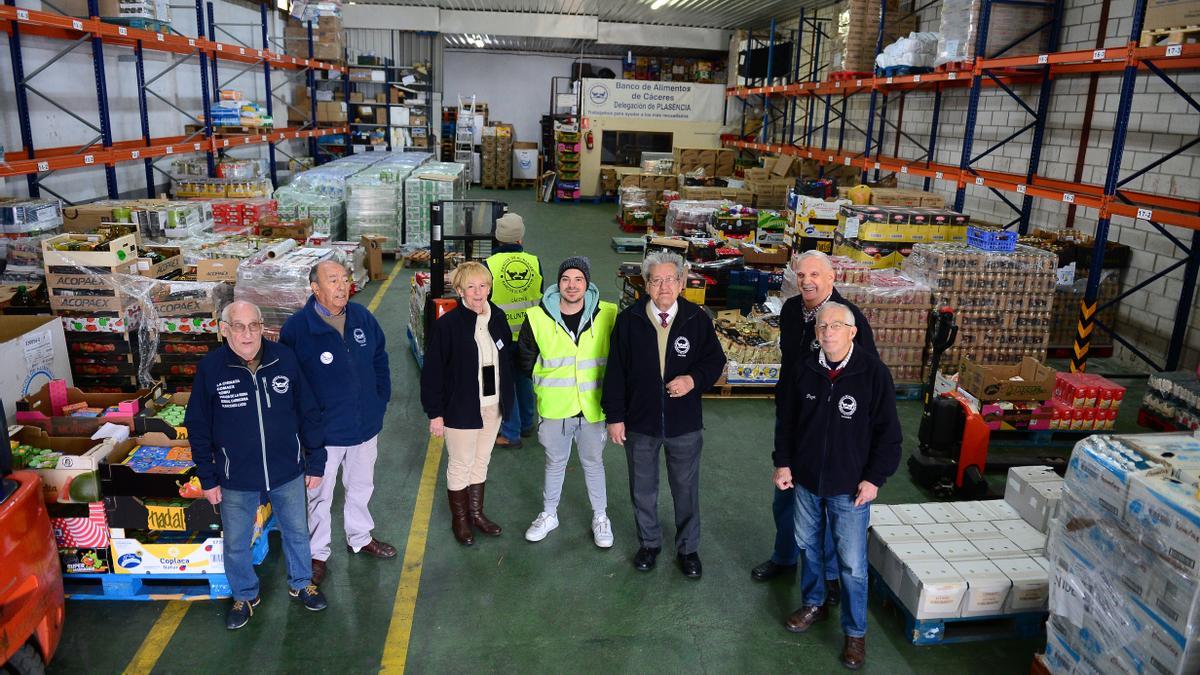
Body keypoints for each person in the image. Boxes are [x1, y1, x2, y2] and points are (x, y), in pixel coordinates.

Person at [773, 302, 901, 670]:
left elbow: (889, 437)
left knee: (852, 565)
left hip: (851, 488)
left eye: (836, 326)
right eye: (822, 326)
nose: (827, 332)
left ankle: (855, 632)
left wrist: (874, 479)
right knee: (808, 548)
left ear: (853, 331)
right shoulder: (805, 370)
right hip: (807, 482)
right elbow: (788, 423)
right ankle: (814, 603)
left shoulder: (873, 374)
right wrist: (783, 462)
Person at [185, 301, 328, 629]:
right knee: (236, 541)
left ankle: (302, 582)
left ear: (262, 326)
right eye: (238, 326)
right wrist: (207, 478)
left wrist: (315, 462)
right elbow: (198, 425)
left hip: (287, 469)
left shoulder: (285, 359)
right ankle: (244, 595)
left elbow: (308, 411)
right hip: (235, 476)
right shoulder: (211, 368)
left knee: (296, 531)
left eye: (253, 325)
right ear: (224, 330)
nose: (247, 333)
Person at [752, 250, 878, 602]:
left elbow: (867, 375)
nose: (807, 281)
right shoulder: (792, 310)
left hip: (834, 422)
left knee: (825, 500)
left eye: (815, 275)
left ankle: (829, 574)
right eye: (802, 274)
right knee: (787, 495)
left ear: (831, 278)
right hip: (795, 414)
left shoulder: (846, 318)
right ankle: (784, 557)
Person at [601, 251, 726, 578]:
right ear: (646, 284)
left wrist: (693, 380)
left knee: (685, 489)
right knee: (643, 488)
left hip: (684, 424)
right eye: (656, 280)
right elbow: (615, 371)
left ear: (682, 283)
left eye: (670, 279)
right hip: (640, 422)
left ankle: (688, 549)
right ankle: (649, 543)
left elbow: (715, 361)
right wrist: (615, 417)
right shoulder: (629, 320)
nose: (664, 286)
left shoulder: (696, 319)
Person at [279, 260, 395, 587]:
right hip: (324, 435)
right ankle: (317, 553)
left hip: (364, 426)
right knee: (320, 496)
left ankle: (359, 536)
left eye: (344, 279)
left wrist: (380, 397)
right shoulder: (298, 329)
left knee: (361, 487)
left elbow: (380, 357)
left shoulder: (361, 318)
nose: (342, 286)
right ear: (315, 288)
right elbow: (289, 383)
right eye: (333, 280)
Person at [516, 256, 617, 547]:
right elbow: (524, 357)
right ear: (557, 283)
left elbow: (620, 356)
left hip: (592, 406)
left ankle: (601, 517)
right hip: (555, 406)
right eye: (565, 279)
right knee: (554, 462)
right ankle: (549, 514)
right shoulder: (537, 317)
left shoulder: (607, 314)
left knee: (593, 462)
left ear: (587, 283)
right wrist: (541, 382)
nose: (571, 286)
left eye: (578, 279)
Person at [421, 261, 515, 546]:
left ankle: (476, 514)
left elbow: (505, 359)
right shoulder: (447, 326)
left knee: (481, 461)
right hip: (461, 408)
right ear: (460, 290)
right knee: (461, 464)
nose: (478, 292)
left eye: (483, 286)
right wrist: (435, 414)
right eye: (471, 287)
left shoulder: (497, 317)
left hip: (492, 405)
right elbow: (433, 373)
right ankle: (460, 520)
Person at [486, 212, 542, 449]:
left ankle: (510, 432)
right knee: (524, 379)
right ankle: (528, 423)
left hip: (502, 334)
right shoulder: (534, 261)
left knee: (505, 383)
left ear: (498, 238)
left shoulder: (488, 265)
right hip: (530, 333)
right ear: (520, 238)